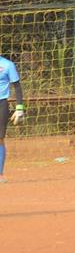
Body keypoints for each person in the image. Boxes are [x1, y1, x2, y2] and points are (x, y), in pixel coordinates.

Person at [0, 55, 24, 184]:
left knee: (0, 139)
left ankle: (0, 174)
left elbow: (17, 86)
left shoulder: (8, 65)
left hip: (1, 104)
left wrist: (19, 108)